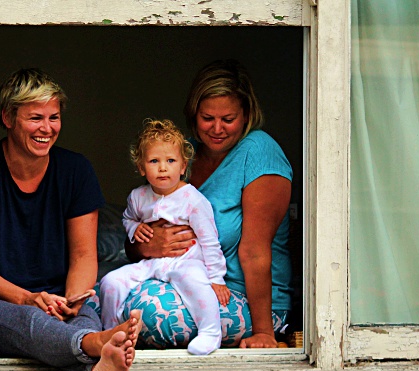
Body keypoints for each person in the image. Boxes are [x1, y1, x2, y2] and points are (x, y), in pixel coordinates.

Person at [0, 68, 142, 371]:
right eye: (35, 118)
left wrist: (73, 300)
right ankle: (94, 348)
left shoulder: (75, 170)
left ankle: (94, 363)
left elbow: (83, 254)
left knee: (85, 316)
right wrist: (27, 297)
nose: (46, 128)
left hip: (60, 295)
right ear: (8, 117)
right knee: (31, 322)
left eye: (54, 117)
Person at [125, 59, 293, 349]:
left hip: (238, 296)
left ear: (246, 114)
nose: (217, 129)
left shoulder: (259, 151)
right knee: (106, 293)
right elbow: (136, 234)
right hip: (177, 277)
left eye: (228, 119)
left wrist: (264, 333)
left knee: (149, 316)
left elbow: (254, 251)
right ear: (193, 113)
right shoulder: (182, 154)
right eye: (207, 118)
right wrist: (146, 244)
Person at [99, 119, 229, 356]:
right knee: (110, 282)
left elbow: (210, 240)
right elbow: (128, 218)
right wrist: (134, 228)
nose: (162, 168)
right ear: (141, 167)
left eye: (170, 161)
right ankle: (110, 333)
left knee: (194, 281)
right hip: (151, 262)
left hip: (185, 260)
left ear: (183, 166)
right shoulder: (138, 196)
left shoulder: (193, 200)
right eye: (153, 161)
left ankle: (211, 332)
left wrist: (217, 278)